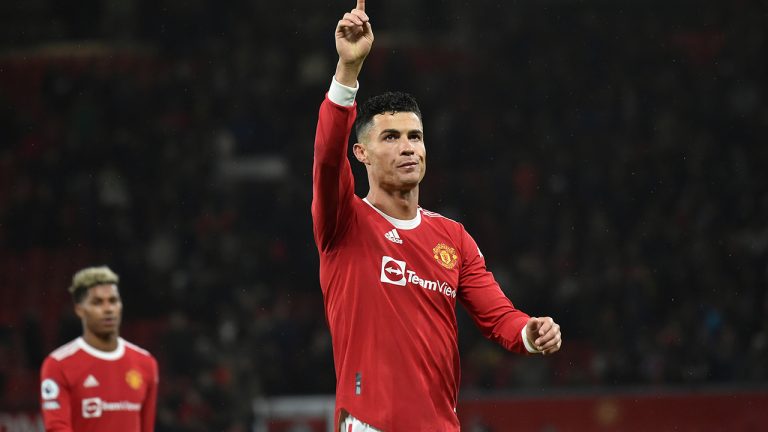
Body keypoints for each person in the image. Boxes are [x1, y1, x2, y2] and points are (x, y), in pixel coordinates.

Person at [312, 1, 563, 430]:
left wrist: (530, 333)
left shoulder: (453, 237)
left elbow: (498, 317)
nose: (408, 146)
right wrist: (347, 73)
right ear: (362, 154)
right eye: (391, 137)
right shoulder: (344, 222)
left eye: (415, 136)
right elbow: (326, 158)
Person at [39, 266, 158, 432]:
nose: (108, 309)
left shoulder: (146, 363)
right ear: (80, 310)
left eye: (113, 300)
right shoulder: (58, 364)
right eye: (97, 302)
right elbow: (57, 428)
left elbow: (147, 428)